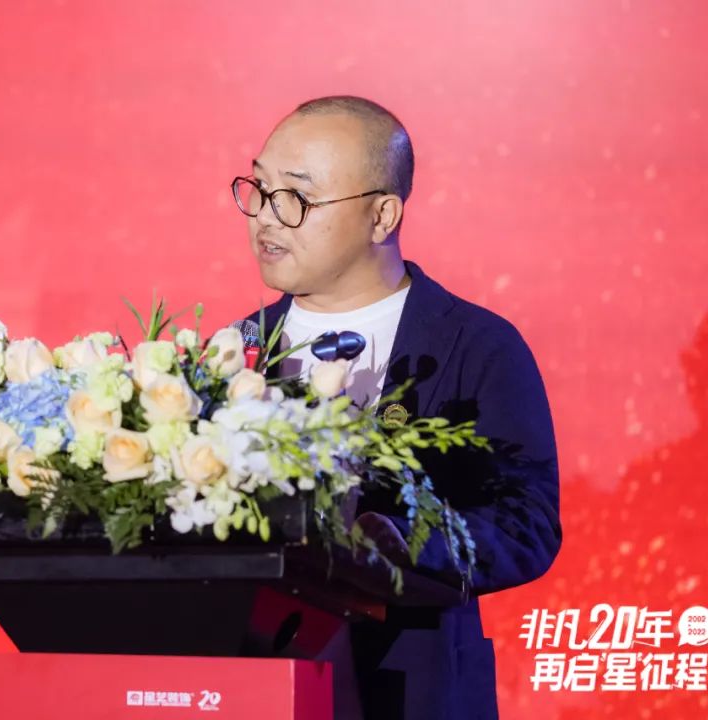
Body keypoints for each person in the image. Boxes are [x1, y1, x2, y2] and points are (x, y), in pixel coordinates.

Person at [233, 96, 562, 719]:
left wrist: (409, 541)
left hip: (413, 686)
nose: (266, 218)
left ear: (382, 214)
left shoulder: (476, 346)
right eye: (260, 189)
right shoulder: (236, 349)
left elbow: (527, 525)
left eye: (296, 197)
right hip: (257, 685)